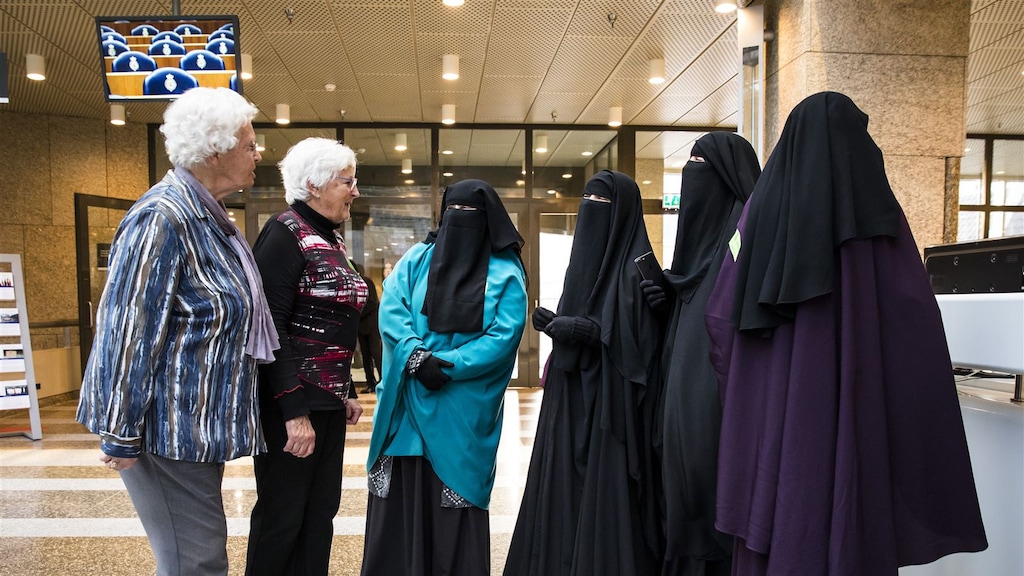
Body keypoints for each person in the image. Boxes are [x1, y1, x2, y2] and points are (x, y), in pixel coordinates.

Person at [704, 92, 988, 576]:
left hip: (771, 425)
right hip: (855, 425)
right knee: (850, 525)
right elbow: (915, 324)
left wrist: (752, 393)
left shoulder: (756, 214)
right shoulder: (875, 211)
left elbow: (718, 315)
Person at [76, 86, 278, 576]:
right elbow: (128, 330)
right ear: (214, 151)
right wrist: (120, 431)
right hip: (164, 429)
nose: (258, 154)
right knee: (196, 562)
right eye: (249, 145)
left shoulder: (208, 217)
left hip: (193, 428)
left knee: (197, 557)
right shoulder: (163, 217)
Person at [361, 179, 527, 576]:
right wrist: (416, 357)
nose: (460, 221)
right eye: (454, 211)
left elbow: (503, 337)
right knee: (400, 500)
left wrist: (448, 364)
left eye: (470, 214)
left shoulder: (505, 272)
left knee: (452, 504)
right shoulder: (417, 258)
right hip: (407, 403)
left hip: (460, 408)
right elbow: (392, 308)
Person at [504, 170, 664, 576]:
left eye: (601, 204)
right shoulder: (584, 267)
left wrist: (586, 332)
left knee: (601, 496)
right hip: (567, 400)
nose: (591, 212)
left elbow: (645, 354)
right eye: (586, 203)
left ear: (622, 213)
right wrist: (556, 325)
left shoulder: (638, 272)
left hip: (610, 413)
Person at [245, 137, 367, 576]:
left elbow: (333, 322)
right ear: (313, 185)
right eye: (347, 182)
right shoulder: (285, 232)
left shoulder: (329, 237)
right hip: (291, 404)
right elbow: (270, 326)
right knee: (282, 519)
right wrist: (294, 412)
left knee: (319, 516)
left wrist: (345, 388)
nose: (355, 191)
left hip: (325, 402)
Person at [645, 132, 761, 576]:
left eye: (703, 168)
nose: (694, 179)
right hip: (683, 394)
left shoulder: (746, 236)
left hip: (723, 398)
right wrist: (664, 304)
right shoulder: (698, 249)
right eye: (688, 165)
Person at [353, 263, 382, 393]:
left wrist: (357, 313)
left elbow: (372, 302)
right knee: (365, 356)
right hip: (360, 327)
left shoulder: (367, 282)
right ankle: (370, 383)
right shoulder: (353, 284)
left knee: (376, 354)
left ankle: (383, 381)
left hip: (372, 325)